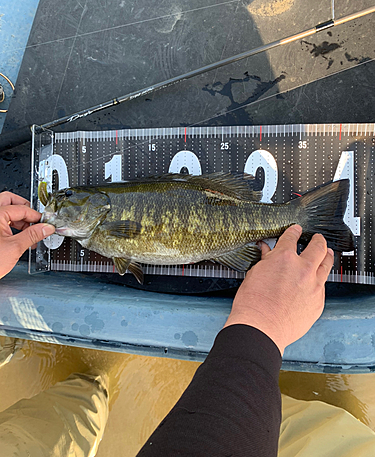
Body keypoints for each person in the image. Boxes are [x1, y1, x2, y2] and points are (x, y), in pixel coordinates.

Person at [0, 190, 375, 456]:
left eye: (67, 200)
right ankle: (89, 390)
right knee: (321, 431)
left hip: (248, 401)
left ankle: (91, 387)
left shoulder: (103, 230)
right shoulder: (99, 230)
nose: (57, 207)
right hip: (257, 401)